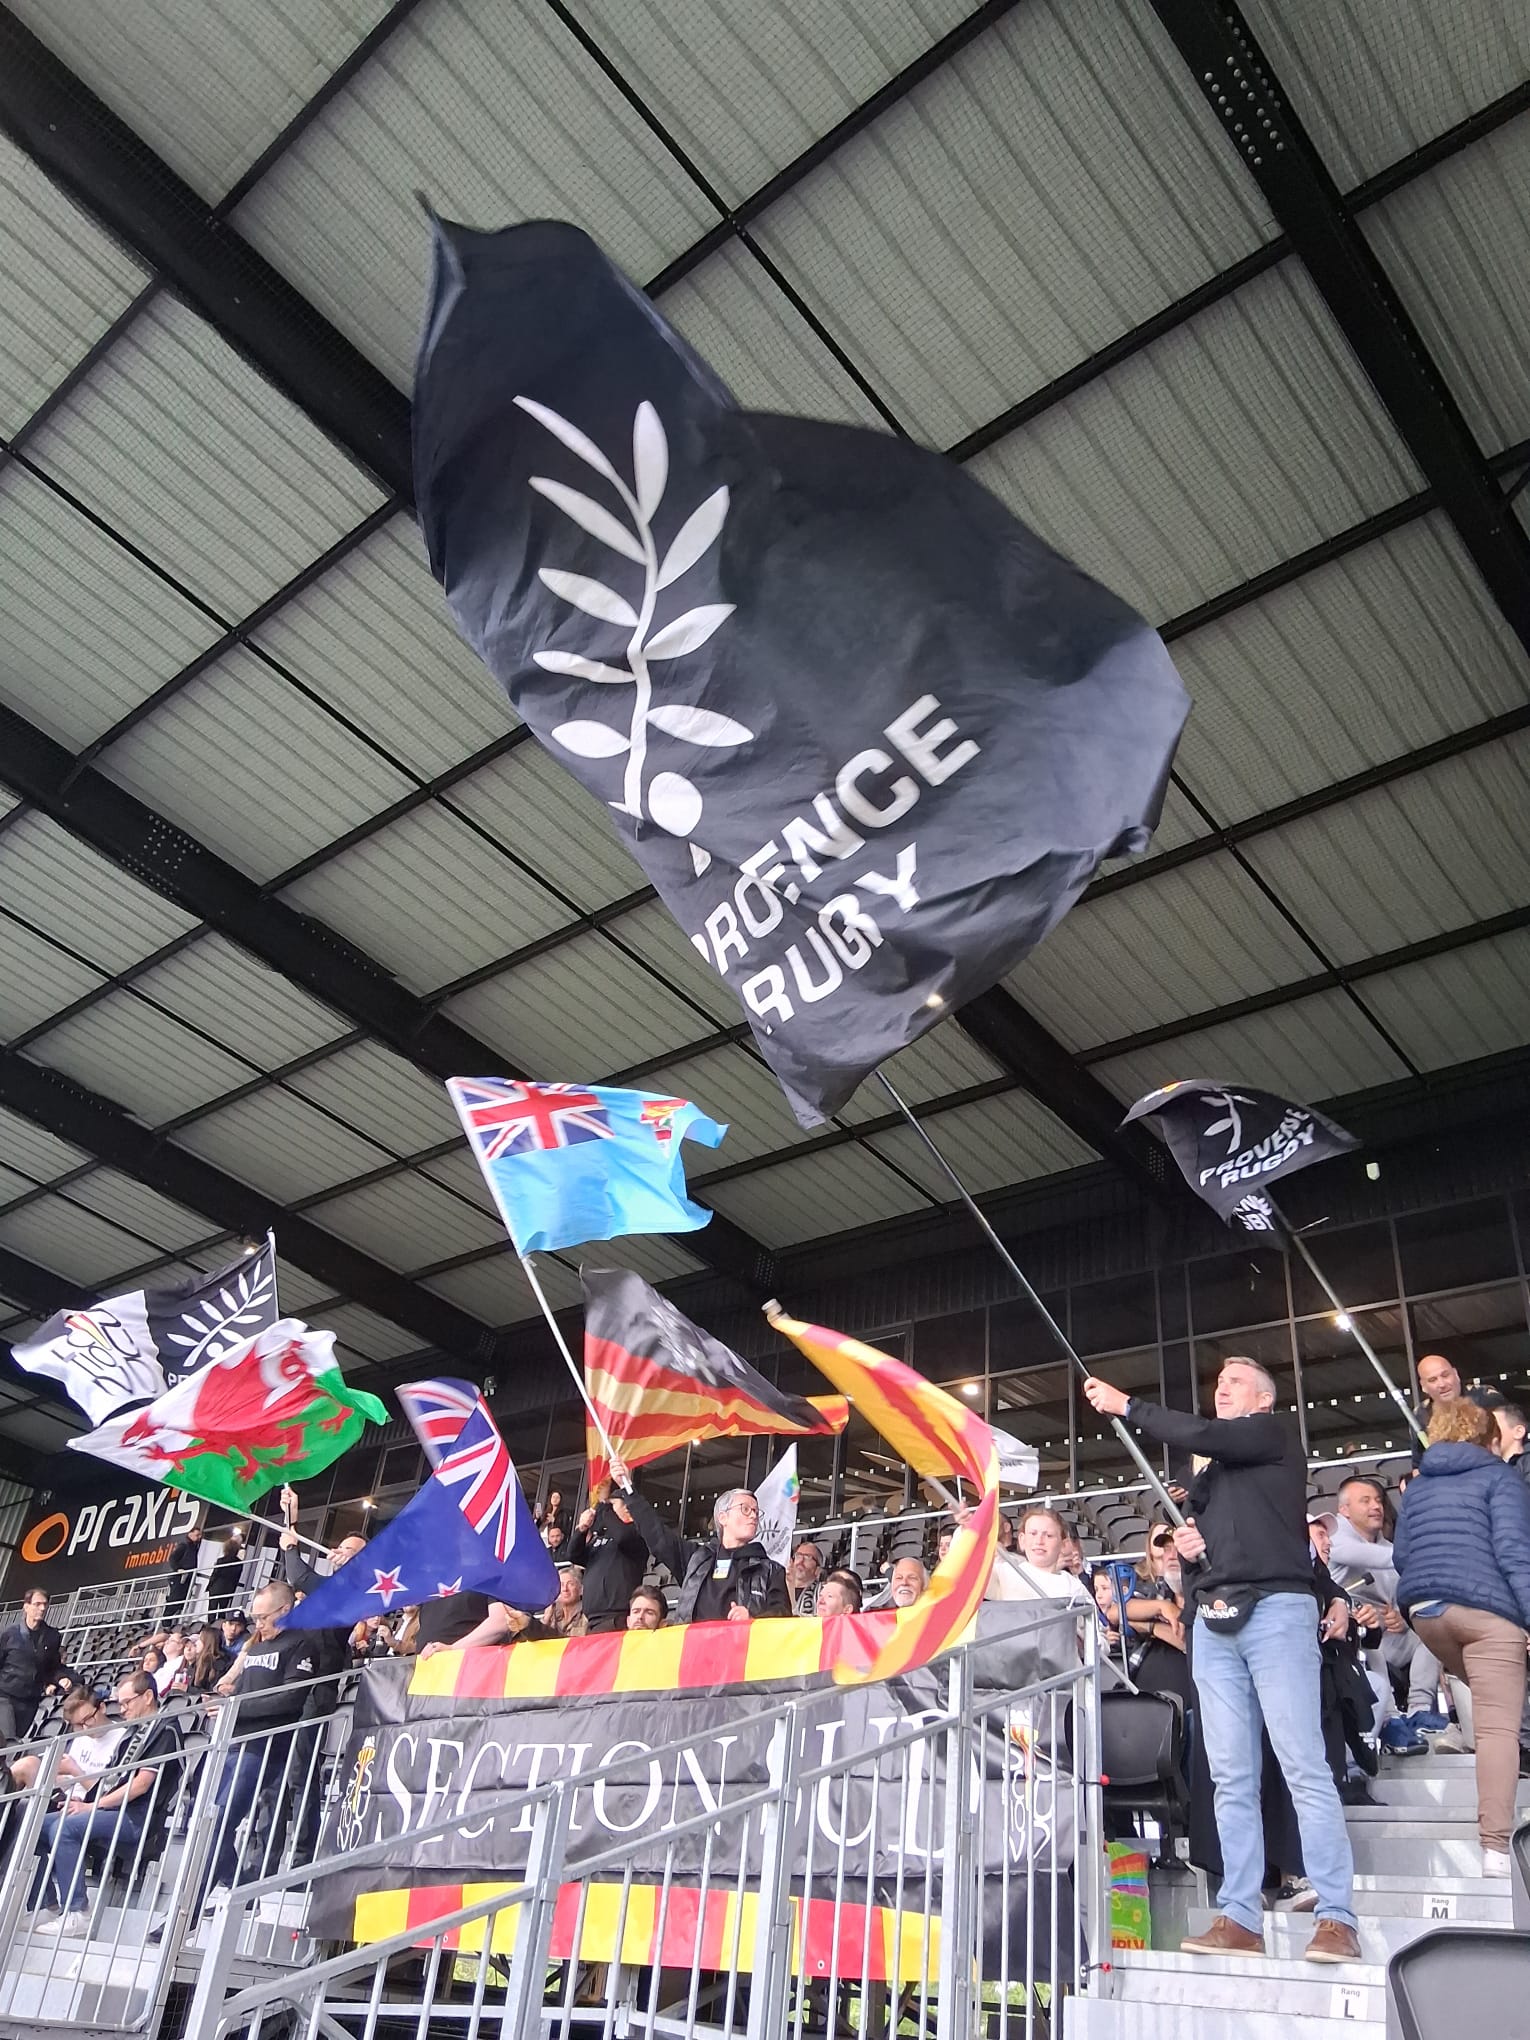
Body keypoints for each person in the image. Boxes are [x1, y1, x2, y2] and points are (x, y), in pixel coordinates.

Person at [1085, 1360, 1360, 1964]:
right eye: (1219, 1380)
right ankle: (1239, 1913)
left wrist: (1128, 1405)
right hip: (1215, 1617)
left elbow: (1205, 1435)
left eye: (1234, 1380)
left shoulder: (1270, 1433)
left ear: (1262, 1397)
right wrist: (1189, 1553)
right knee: (1230, 1774)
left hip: (1277, 1609)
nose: (1222, 1386)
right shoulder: (1210, 1477)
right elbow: (1211, 1525)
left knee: (1302, 1764)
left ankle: (1337, 1915)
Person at [1394, 1397, 1530, 1877]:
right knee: (1499, 1730)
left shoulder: (1419, 1488)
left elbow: (1401, 1558)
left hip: (1428, 1615)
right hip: (1486, 1615)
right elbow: (1515, 1553)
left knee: (1485, 1691)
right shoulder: (1500, 1478)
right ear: (1489, 1438)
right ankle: (1495, 1847)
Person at [201, 1581, 324, 1905]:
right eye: (255, 1618)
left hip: (265, 1750)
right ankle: (242, 1889)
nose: (258, 1624)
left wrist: (236, 1706)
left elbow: (291, 1698)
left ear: (285, 1611)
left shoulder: (301, 1644)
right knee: (208, 1823)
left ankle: (190, 1909)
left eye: (263, 1617)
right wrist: (227, 1698)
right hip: (234, 1744)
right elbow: (242, 1692)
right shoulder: (255, 1647)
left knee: (220, 1824)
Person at [35, 1671, 182, 1937]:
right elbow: (111, 1780)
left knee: (64, 1829)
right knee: (33, 1827)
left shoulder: (165, 1729)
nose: (122, 1709)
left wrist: (93, 1807)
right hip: (110, 1810)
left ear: (148, 1696)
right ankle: (47, 1905)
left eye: (127, 1702)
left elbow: (140, 1785)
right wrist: (86, 1800)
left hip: (136, 1818)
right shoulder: (134, 1732)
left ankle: (78, 1911)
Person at [1328, 1476, 1445, 1733]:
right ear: (1344, 1510)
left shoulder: (1389, 1547)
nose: (1376, 1506)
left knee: (1433, 1633)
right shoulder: (1334, 1536)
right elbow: (1380, 1558)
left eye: (1379, 1501)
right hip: (1352, 1639)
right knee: (1370, 1640)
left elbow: (1402, 1593)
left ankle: (1419, 1711)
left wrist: (1402, 1620)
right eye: (1365, 1501)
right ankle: (1389, 1718)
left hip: (1389, 1636)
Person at [622, 1480, 790, 1624]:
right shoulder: (696, 1559)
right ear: (723, 1518)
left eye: (756, 1511)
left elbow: (782, 1615)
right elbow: (656, 1533)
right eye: (745, 1509)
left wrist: (753, 1619)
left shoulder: (770, 1570)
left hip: (741, 1655)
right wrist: (627, 1488)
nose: (753, 1516)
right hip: (694, 1654)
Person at [7, 1686, 124, 1798]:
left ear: (102, 1708)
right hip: (66, 1799)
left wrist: (74, 1770)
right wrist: (56, 1775)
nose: (85, 1728)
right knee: (26, 1765)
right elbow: (67, 1783)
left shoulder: (123, 1739)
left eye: (88, 1719)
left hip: (88, 1806)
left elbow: (109, 1793)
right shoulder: (80, 1737)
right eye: (78, 1725)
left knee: (28, 1764)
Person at [566, 1486, 652, 1632]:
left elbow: (622, 1537)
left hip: (616, 1618)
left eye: (613, 1505)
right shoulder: (600, 1539)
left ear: (626, 1508)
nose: (608, 1510)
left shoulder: (637, 1535)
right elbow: (573, 1555)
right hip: (592, 1621)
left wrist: (603, 1507)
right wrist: (582, 1529)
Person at [0, 1590, 66, 1741]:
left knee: (17, 1740)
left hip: (31, 1700)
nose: (42, 1608)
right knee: (8, 1739)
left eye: (45, 1604)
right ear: (26, 1607)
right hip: (5, 1696)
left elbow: (53, 1667)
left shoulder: (52, 1636)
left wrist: (60, 1678)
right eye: (37, 1604)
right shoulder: (8, 1634)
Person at [165, 1524, 203, 1622]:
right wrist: (178, 1569)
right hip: (180, 1578)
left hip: (187, 1578)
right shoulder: (184, 1546)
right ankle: (166, 1623)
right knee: (174, 1600)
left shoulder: (194, 1548)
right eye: (197, 1535)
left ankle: (173, 1623)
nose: (199, 1537)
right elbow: (172, 1558)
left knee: (182, 1602)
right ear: (190, 1534)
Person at [185, 1624, 231, 1694]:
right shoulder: (197, 1662)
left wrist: (188, 1689)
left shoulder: (219, 1664)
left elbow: (213, 1693)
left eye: (200, 1639)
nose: (196, 1643)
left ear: (207, 1642)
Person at [547, 1566, 589, 1638]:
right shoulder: (551, 1615)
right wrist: (546, 1619)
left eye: (570, 1584)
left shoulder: (587, 1614)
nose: (565, 1589)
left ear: (581, 1590)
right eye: (561, 1585)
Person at [788, 1539, 824, 1614]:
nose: (800, 1561)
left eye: (808, 1557)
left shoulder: (823, 1592)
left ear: (817, 1570)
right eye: (798, 1556)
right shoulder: (779, 1588)